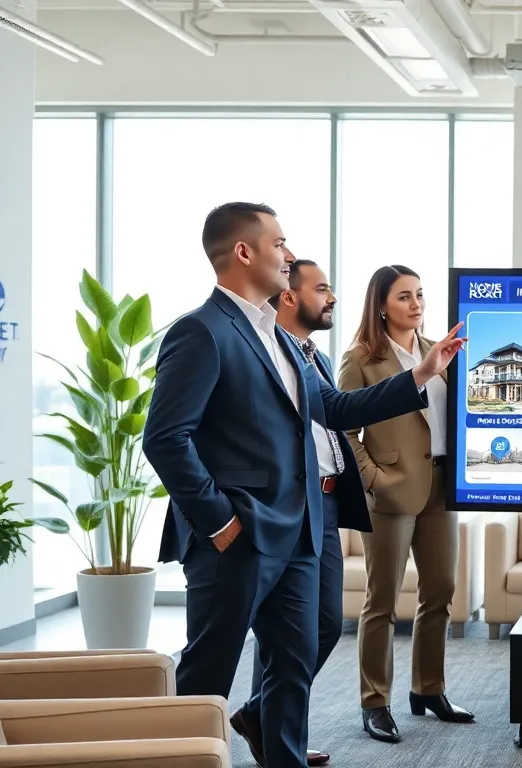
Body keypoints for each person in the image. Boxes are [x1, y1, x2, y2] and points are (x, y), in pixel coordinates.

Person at [146, 203, 467, 768]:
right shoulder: (201, 331)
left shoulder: (283, 339)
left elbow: (335, 409)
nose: (288, 255)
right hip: (239, 533)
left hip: (300, 528)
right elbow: (166, 439)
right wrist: (218, 520)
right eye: (280, 243)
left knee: (294, 663)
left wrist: (422, 372)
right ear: (244, 252)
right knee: (210, 671)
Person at [225, 259, 353, 767]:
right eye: (321, 288)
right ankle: (282, 745)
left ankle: (261, 715)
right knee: (288, 636)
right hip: (280, 507)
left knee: (321, 628)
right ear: (289, 297)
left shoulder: (311, 356)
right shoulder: (259, 351)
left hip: (323, 504)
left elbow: (338, 412)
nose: (332, 298)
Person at [337, 265, 472, 744]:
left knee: (441, 589)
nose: (416, 304)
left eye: (419, 295)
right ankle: (375, 702)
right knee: (382, 601)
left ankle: (428, 689)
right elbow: (342, 428)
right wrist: (372, 479)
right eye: (404, 297)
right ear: (381, 305)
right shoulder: (361, 359)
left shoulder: (440, 351)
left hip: (441, 484)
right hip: (391, 490)